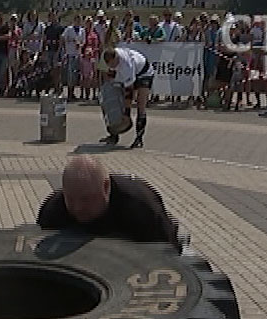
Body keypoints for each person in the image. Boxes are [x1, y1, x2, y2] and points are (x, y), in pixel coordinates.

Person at [37, 156, 180, 253]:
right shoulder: (52, 210)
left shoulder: (141, 207)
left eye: (86, 199)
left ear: (106, 188)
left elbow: (168, 254)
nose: (78, 207)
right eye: (71, 199)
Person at [100, 47, 155, 148]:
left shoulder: (126, 64)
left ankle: (139, 138)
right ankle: (114, 134)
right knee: (112, 101)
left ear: (116, 58)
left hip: (144, 73)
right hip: (128, 75)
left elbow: (129, 93)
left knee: (140, 104)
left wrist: (127, 113)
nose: (111, 66)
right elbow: (107, 78)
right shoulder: (108, 57)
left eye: (113, 64)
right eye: (109, 65)